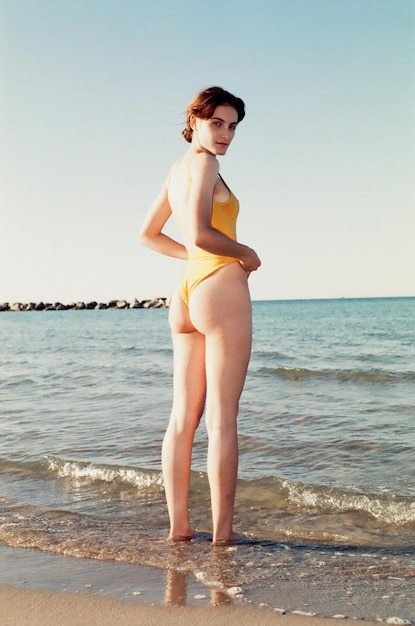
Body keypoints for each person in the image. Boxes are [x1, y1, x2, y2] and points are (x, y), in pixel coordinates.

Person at [140, 86, 261, 545]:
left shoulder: (176, 170)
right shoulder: (207, 163)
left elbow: (149, 235)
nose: (226, 134)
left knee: (181, 418)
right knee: (222, 419)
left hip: (186, 295)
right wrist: (245, 253)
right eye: (218, 123)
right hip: (220, 288)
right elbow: (199, 232)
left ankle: (179, 528)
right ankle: (223, 535)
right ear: (195, 119)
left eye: (233, 126)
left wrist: (192, 259)